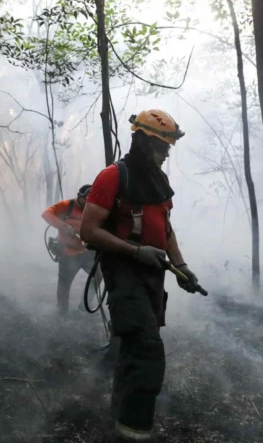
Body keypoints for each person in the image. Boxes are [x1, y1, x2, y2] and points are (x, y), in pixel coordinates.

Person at [80, 109, 203, 442]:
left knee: (132, 350)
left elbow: (166, 228)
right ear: (144, 142)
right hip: (124, 272)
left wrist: (182, 268)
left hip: (153, 275)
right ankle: (135, 432)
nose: (166, 156)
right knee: (148, 350)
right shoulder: (112, 177)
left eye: (168, 149)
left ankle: (119, 420)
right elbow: (88, 230)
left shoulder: (158, 181)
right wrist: (136, 251)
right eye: (162, 148)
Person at [41, 185, 98, 315]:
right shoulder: (67, 206)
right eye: (86, 200)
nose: (88, 204)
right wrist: (63, 226)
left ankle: (84, 306)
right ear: (80, 196)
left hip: (86, 252)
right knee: (64, 285)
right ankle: (62, 312)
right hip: (68, 253)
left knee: (97, 277)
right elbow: (46, 214)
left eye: (91, 201)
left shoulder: (92, 209)